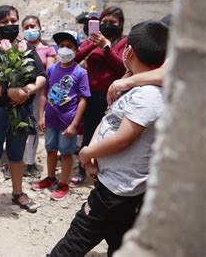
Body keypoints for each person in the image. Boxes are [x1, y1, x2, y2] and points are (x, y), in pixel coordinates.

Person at [48, 20, 168, 257]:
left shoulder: (148, 94)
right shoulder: (137, 84)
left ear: (129, 51)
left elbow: (123, 139)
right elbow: (109, 121)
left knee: (75, 241)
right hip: (115, 183)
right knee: (119, 237)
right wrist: (92, 156)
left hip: (117, 189)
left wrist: (87, 153)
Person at [0, 5, 46, 214]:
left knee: (16, 153)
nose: (10, 25)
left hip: (20, 110)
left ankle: (18, 192)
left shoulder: (26, 48)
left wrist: (27, 89)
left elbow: (41, 75)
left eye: (14, 21)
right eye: (5, 22)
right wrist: (9, 92)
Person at [70, 6, 127, 186]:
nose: (108, 25)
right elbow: (75, 58)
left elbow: (123, 67)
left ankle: (105, 174)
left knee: (108, 135)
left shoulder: (124, 43)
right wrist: (92, 45)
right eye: (104, 22)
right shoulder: (91, 40)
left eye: (113, 22)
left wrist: (106, 48)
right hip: (91, 95)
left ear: (121, 25)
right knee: (88, 135)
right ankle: (82, 170)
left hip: (113, 97)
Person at [31, 30, 90, 201]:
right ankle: (50, 177)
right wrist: (41, 116)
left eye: (69, 46)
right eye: (61, 46)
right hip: (51, 120)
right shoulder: (51, 70)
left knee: (65, 153)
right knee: (50, 149)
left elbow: (83, 100)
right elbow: (44, 93)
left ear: (76, 50)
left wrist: (74, 125)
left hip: (68, 122)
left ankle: (63, 183)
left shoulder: (80, 73)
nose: (64, 49)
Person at [21, 15, 57, 178]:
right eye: (26, 27)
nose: (30, 30)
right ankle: (14, 161)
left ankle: (30, 162)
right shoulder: (19, 47)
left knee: (33, 129)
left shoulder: (48, 50)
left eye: (33, 26)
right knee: (16, 127)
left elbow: (49, 74)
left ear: (40, 27)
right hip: (19, 94)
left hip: (37, 96)